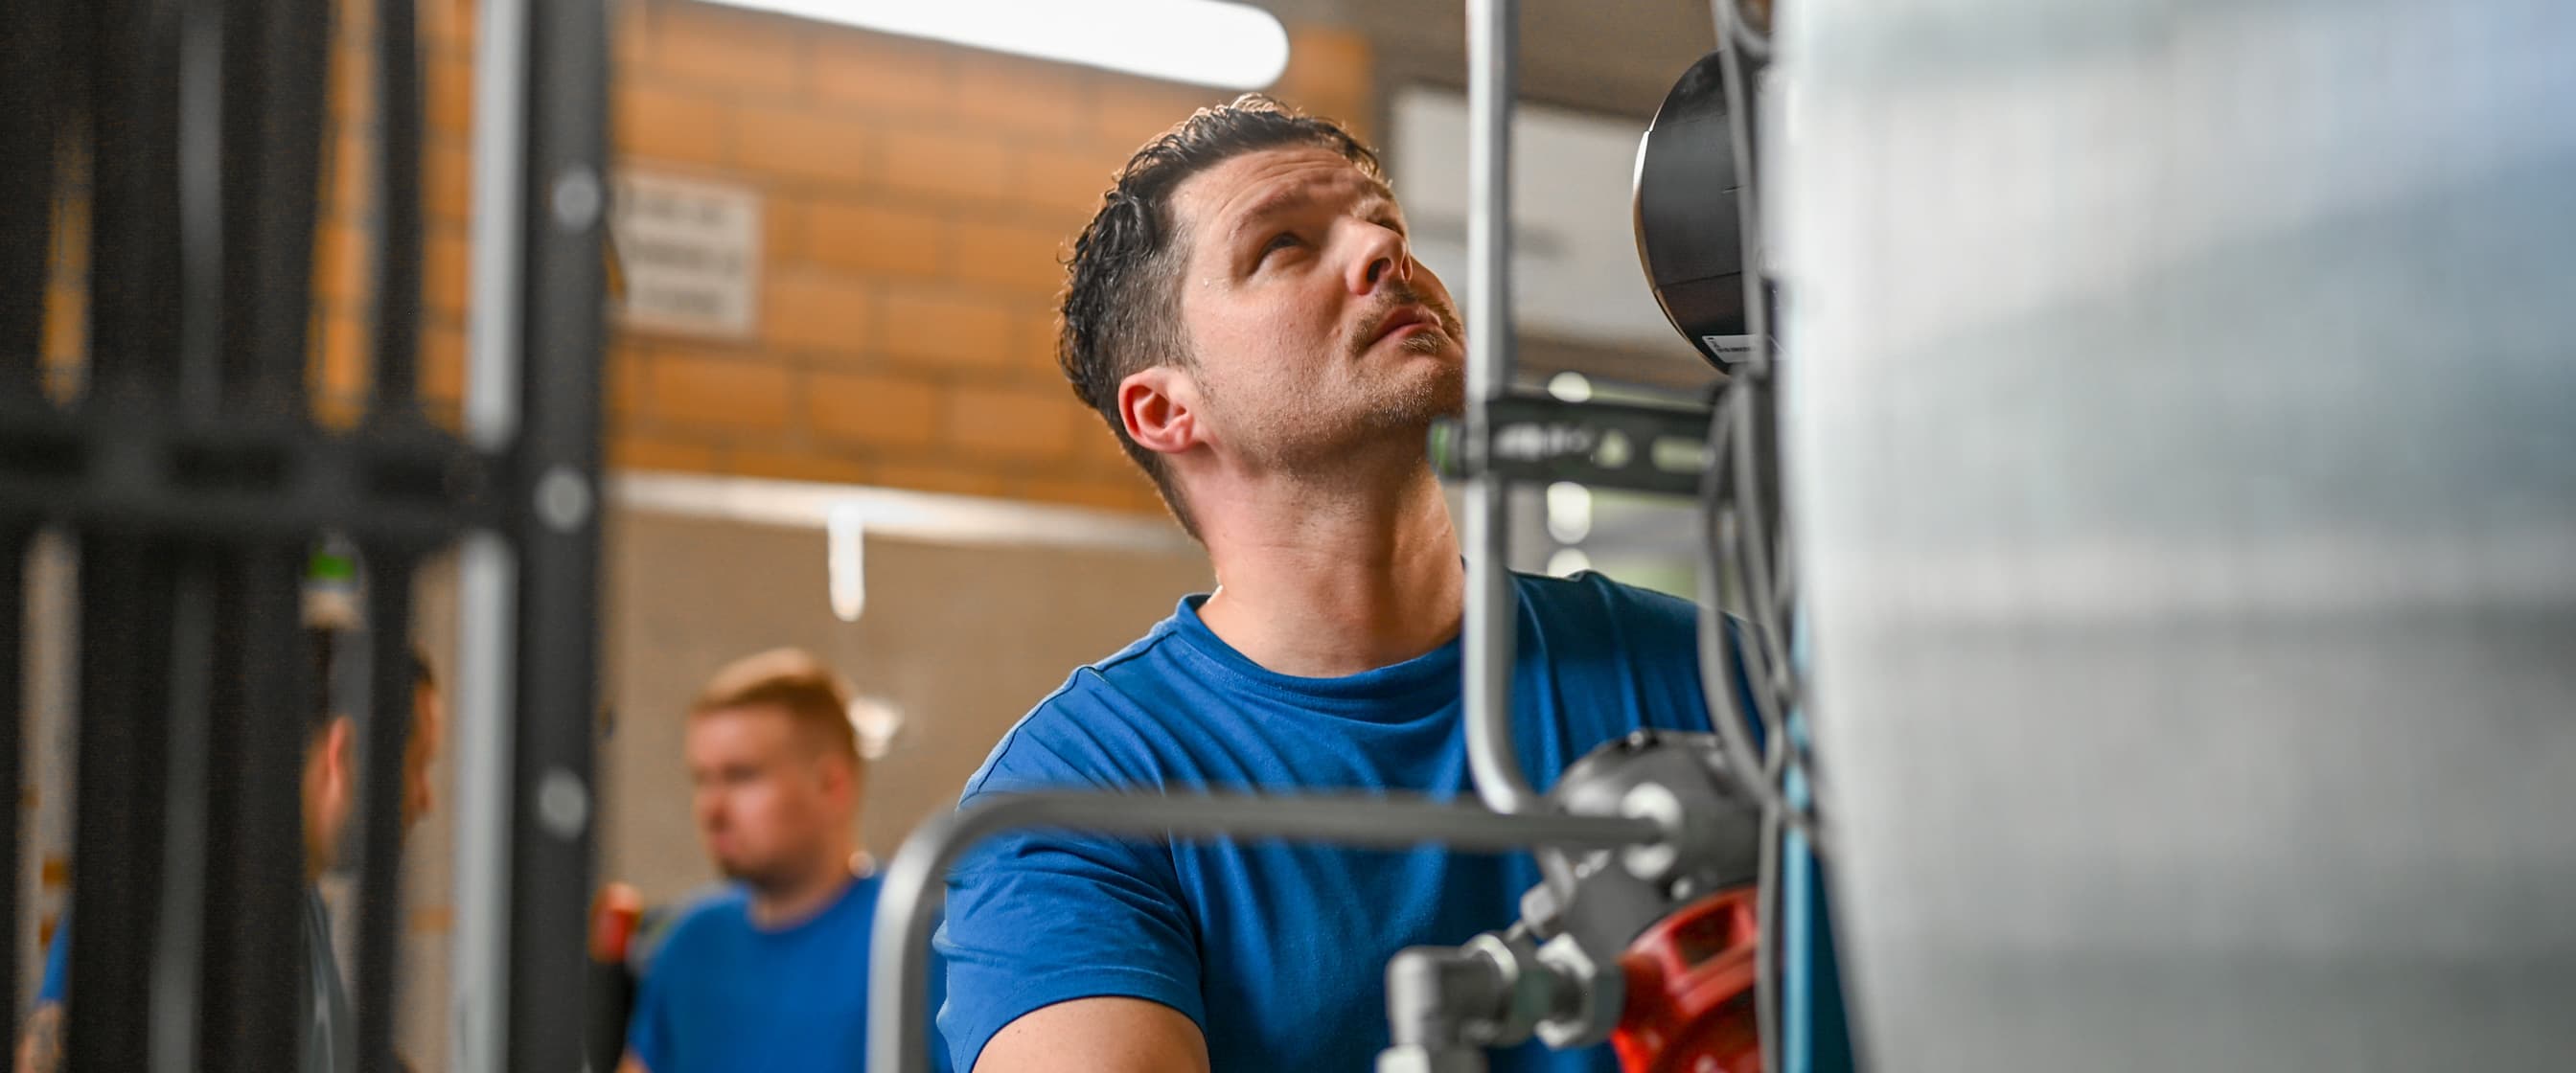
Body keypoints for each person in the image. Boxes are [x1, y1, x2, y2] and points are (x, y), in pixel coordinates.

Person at [934, 95, 1719, 1073]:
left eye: (1384, 223)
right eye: (1284, 246)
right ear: (1167, 408)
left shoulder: (1705, 675)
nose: (1384, 252)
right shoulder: (1075, 802)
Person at [15, 630, 446, 1073]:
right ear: (342, 752)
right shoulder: (177, 880)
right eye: (416, 766)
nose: (425, 798)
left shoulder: (298, 903)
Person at [618, 648, 947, 1073]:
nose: (711, 810)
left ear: (832, 785)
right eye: (703, 779)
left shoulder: (918, 939)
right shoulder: (690, 943)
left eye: (741, 776)